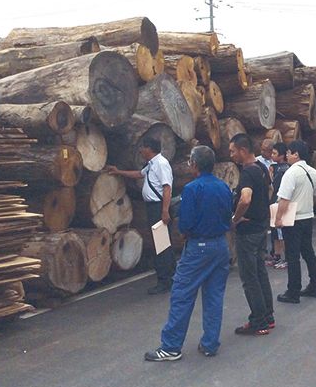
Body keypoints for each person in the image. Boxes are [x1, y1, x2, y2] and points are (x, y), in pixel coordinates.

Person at [144, 146, 232, 362]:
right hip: (220, 244)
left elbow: (186, 223)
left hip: (198, 246)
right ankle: (210, 343)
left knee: (182, 294)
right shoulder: (223, 187)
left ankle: (171, 346)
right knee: (213, 295)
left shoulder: (193, 189)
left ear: (194, 164)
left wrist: (185, 234)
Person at [105, 137, 175, 295]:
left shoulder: (161, 164)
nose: (141, 151)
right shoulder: (152, 164)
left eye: (143, 148)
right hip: (154, 208)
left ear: (149, 148)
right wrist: (118, 172)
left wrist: (164, 210)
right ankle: (169, 276)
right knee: (161, 243)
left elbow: (167, 188)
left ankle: (165, 280)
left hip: (158, 207)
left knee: (161, 245)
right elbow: (139, 174)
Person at [229, 133, 275, 336]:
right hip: (261, 227)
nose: (231, 155)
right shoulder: (263, 168)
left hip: (248, 232)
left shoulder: (247, 172)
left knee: (249, 277)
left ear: (243, 150)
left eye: (232, 151)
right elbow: (270, 190)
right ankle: (268, 316)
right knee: (260, 272)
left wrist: (236, 218)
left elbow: (245, 198)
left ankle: (258, 320)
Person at [274, 140, 316, 304]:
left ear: (296, 154)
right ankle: (315, 285)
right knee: (308, 252)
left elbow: (284, 199)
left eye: (289, 152)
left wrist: (278, 218)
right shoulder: (313, 172)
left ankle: (293, 291)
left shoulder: (291, 173)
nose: (286, 155)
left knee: (292, 256)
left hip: (292, 218)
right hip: (308, 216)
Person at [268, 142, 291, 269]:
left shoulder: (287, 169)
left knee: (282, 232)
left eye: (275, 153)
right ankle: (276, 255)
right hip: (273, 200)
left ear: (282, 155)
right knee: (275, 232)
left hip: (281, 201)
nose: (272, 156)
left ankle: (286, 258)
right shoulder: (273, 167)